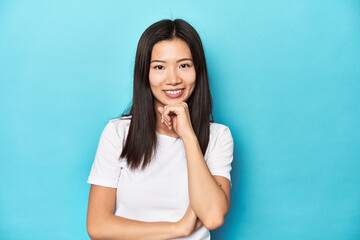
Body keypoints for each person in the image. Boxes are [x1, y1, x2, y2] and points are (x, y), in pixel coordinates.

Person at [86, 19, 234, 240]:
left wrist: (188, 136)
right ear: (145, 73)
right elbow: (98, 226)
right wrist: (178, 229)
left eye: (184, 65)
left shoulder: (218, 136)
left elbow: (212, 217)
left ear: (198, 70)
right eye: (159, 67)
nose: (173, 79)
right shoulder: (118, 133)